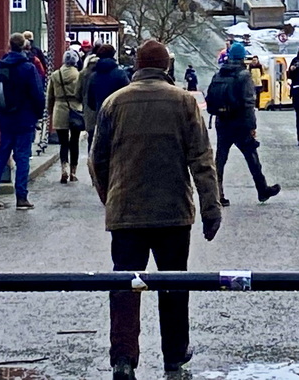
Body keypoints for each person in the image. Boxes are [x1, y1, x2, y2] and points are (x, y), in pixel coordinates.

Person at [90, 39, 221, 380]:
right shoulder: (184, 102)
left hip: (126, 212)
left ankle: (123, 357)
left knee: (125, 284)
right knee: (174, 282)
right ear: (166, 67)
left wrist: (111, 197)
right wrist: (211, 207)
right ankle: (174, 356)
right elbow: (202, 159)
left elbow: (97, 159)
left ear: (136, 66)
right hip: (173, 211)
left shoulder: (113, 103)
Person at [209, 43, 280, 207]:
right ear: (242, 58)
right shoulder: (243, 75)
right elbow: (248, 102)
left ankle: (217, 194)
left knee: (220, 158)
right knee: (252, 157)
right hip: (240, 123)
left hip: (222, 121)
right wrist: (252, 126)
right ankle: (262, 190)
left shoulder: (219, 74)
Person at [0, 34, 45, 210]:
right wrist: (37, 114)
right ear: (25, 46)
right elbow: (38, 95)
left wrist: (0, 113)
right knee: (22, 157)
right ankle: (21, 197)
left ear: (9, 46)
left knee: (2, 155)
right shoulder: (28, 68)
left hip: (6, 119)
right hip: (25, 118)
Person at [47, 48, 84, 184]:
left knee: (63, 143)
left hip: (60, 108)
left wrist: (50, 111)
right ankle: (74, 172)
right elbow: (81, 94)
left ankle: (64, 169)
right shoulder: (79, 75)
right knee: (74, 142)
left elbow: (50, 96)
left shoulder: (55, 75)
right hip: (75, 109)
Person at [82, 44, 130, 140]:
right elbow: (128, 94)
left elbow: (90, 101)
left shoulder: (93, 76)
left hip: (100, 115)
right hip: (118, 116)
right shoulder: (120, 74)